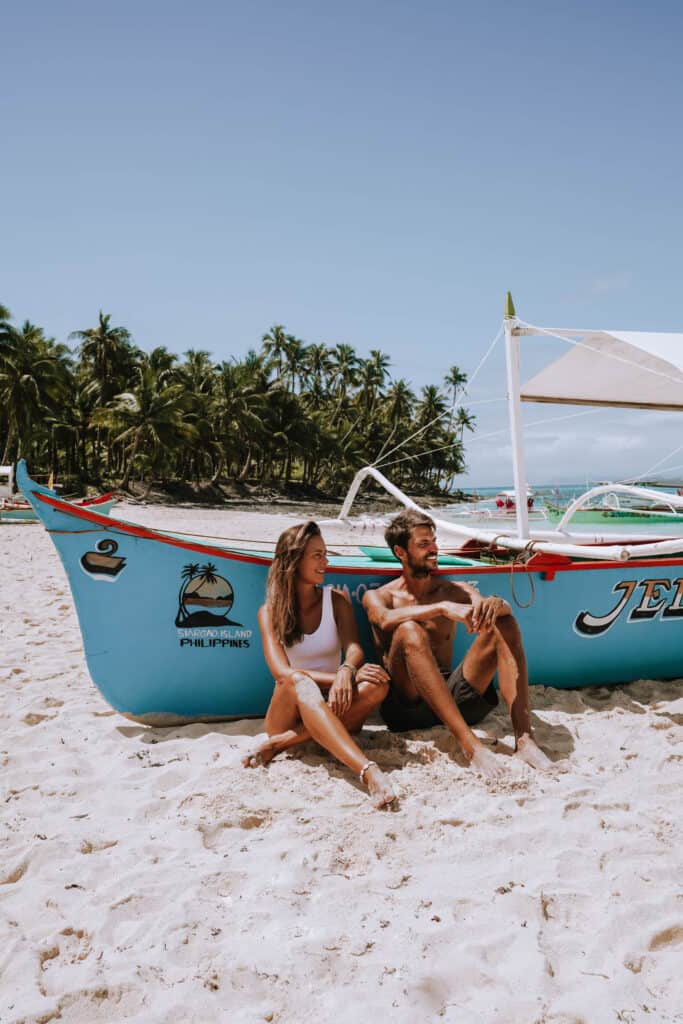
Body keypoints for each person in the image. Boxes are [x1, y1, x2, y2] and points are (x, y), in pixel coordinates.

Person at [362, 509, 553, 778]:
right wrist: (441, 609)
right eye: (423, 544)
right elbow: (383, 619)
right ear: (401, 552)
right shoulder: (380, 596)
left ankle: (524, 740)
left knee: (504, 621)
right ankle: (471, 747)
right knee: (408, 631)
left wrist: (497, 604)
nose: (434, 549)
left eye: (434, 541)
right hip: (407, 707)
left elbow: (486, 608)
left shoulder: (455, 590)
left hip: (456, 699)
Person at [243, 520, 396, 808]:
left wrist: (347, 670)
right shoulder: (269, 612)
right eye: (317, 555)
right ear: (294, 559)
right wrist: (338, 678)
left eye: (325, 554)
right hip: (287, 712)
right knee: (300, 681)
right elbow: (282, 673)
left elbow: (353, 649)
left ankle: (282, 744)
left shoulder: (335, 600)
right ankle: (367, 770)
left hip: (334, 704)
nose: (326, 562)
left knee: (379, 683)